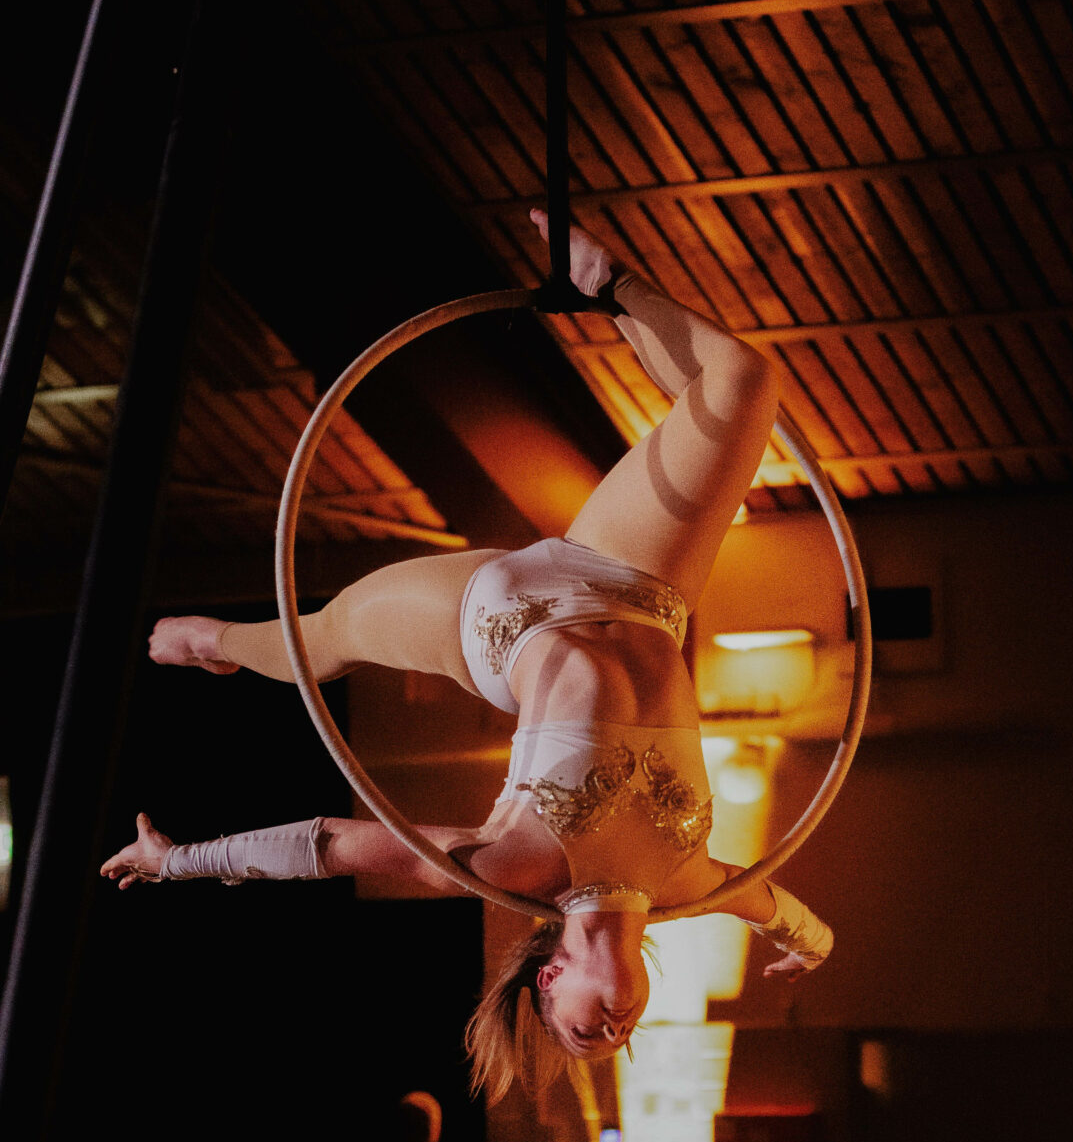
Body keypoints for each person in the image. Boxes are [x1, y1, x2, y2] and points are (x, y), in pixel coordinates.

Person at [101, 213, 835, 1097]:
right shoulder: (692, 884)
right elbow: (789, 917)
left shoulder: (512, 866)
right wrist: (809, 946)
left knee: (320, 641)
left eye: (584, 1032)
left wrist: (177, 861)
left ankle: (217, 644)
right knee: (745, 381)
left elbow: (329, 845)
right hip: (636, 583)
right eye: (623, 1035)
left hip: (496, 620)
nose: (612, 1029)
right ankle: (609, 285)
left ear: (551, 979)